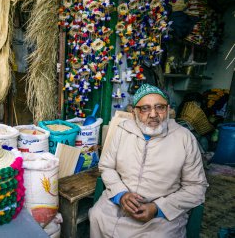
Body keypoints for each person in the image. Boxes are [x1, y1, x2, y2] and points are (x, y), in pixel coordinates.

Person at [89, 84, 208, 238]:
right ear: (134, 112)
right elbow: (107, 166)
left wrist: (157, 208)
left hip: (161, 217)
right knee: (97, 216)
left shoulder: (184, 138)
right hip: (116, 206)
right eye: (145, 108)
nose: (153, 114)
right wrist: (121, 194)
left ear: (168, 109)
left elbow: (196, 187)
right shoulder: (122, 130)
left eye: (160, 107)